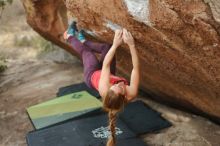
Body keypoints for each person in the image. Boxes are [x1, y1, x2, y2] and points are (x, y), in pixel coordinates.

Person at [64, 22, 140, 146]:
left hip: (93, 74)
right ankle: (83, 41)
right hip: (109, 74)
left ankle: (69, 36)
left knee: (88, 54)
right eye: (119, 86)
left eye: (115, 86)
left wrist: (116, 44)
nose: (119, 84)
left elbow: (105, 65)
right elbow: (135, 69)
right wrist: (131, 45)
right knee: (107, 47)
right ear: (124, 96)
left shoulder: (105, 88)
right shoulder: (131, 93)